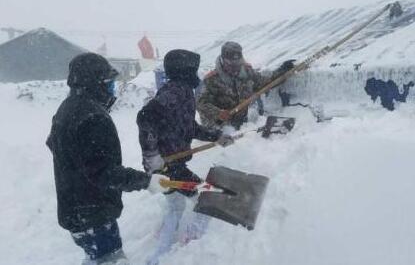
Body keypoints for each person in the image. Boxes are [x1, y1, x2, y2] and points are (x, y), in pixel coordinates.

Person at [46, 53, 170, 265]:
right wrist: (146, 181)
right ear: (94, 83)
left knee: (96, 259)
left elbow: (54, 144)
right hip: (93, 212)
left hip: (74, 208)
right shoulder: (93, 116)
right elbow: (103, 172)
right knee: (109, 259)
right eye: (108, 83)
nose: (112, 88)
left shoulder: (67, 108)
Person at [136, 49, 233, 264]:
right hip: (168, 165)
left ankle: (161, 252)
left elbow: (189, 128)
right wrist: (152, 156)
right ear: (185, 69)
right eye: (193, 68)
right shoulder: (176, 92)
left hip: (170, 163)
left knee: (175, 206)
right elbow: (145, 118)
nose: (196, 72)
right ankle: (190, 247)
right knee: (204, 197)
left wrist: (216, 136)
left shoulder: (184, 91)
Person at [197, 41, 295, 129]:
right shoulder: (211, 80)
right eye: (231, 65)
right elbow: (200, 103)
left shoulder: (247, 72)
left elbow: (264, 82)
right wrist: (218, 113)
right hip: (216, 127)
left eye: (238, 63)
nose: (235, 68)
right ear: (223, 61)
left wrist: (282, 70)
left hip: (241, 123)